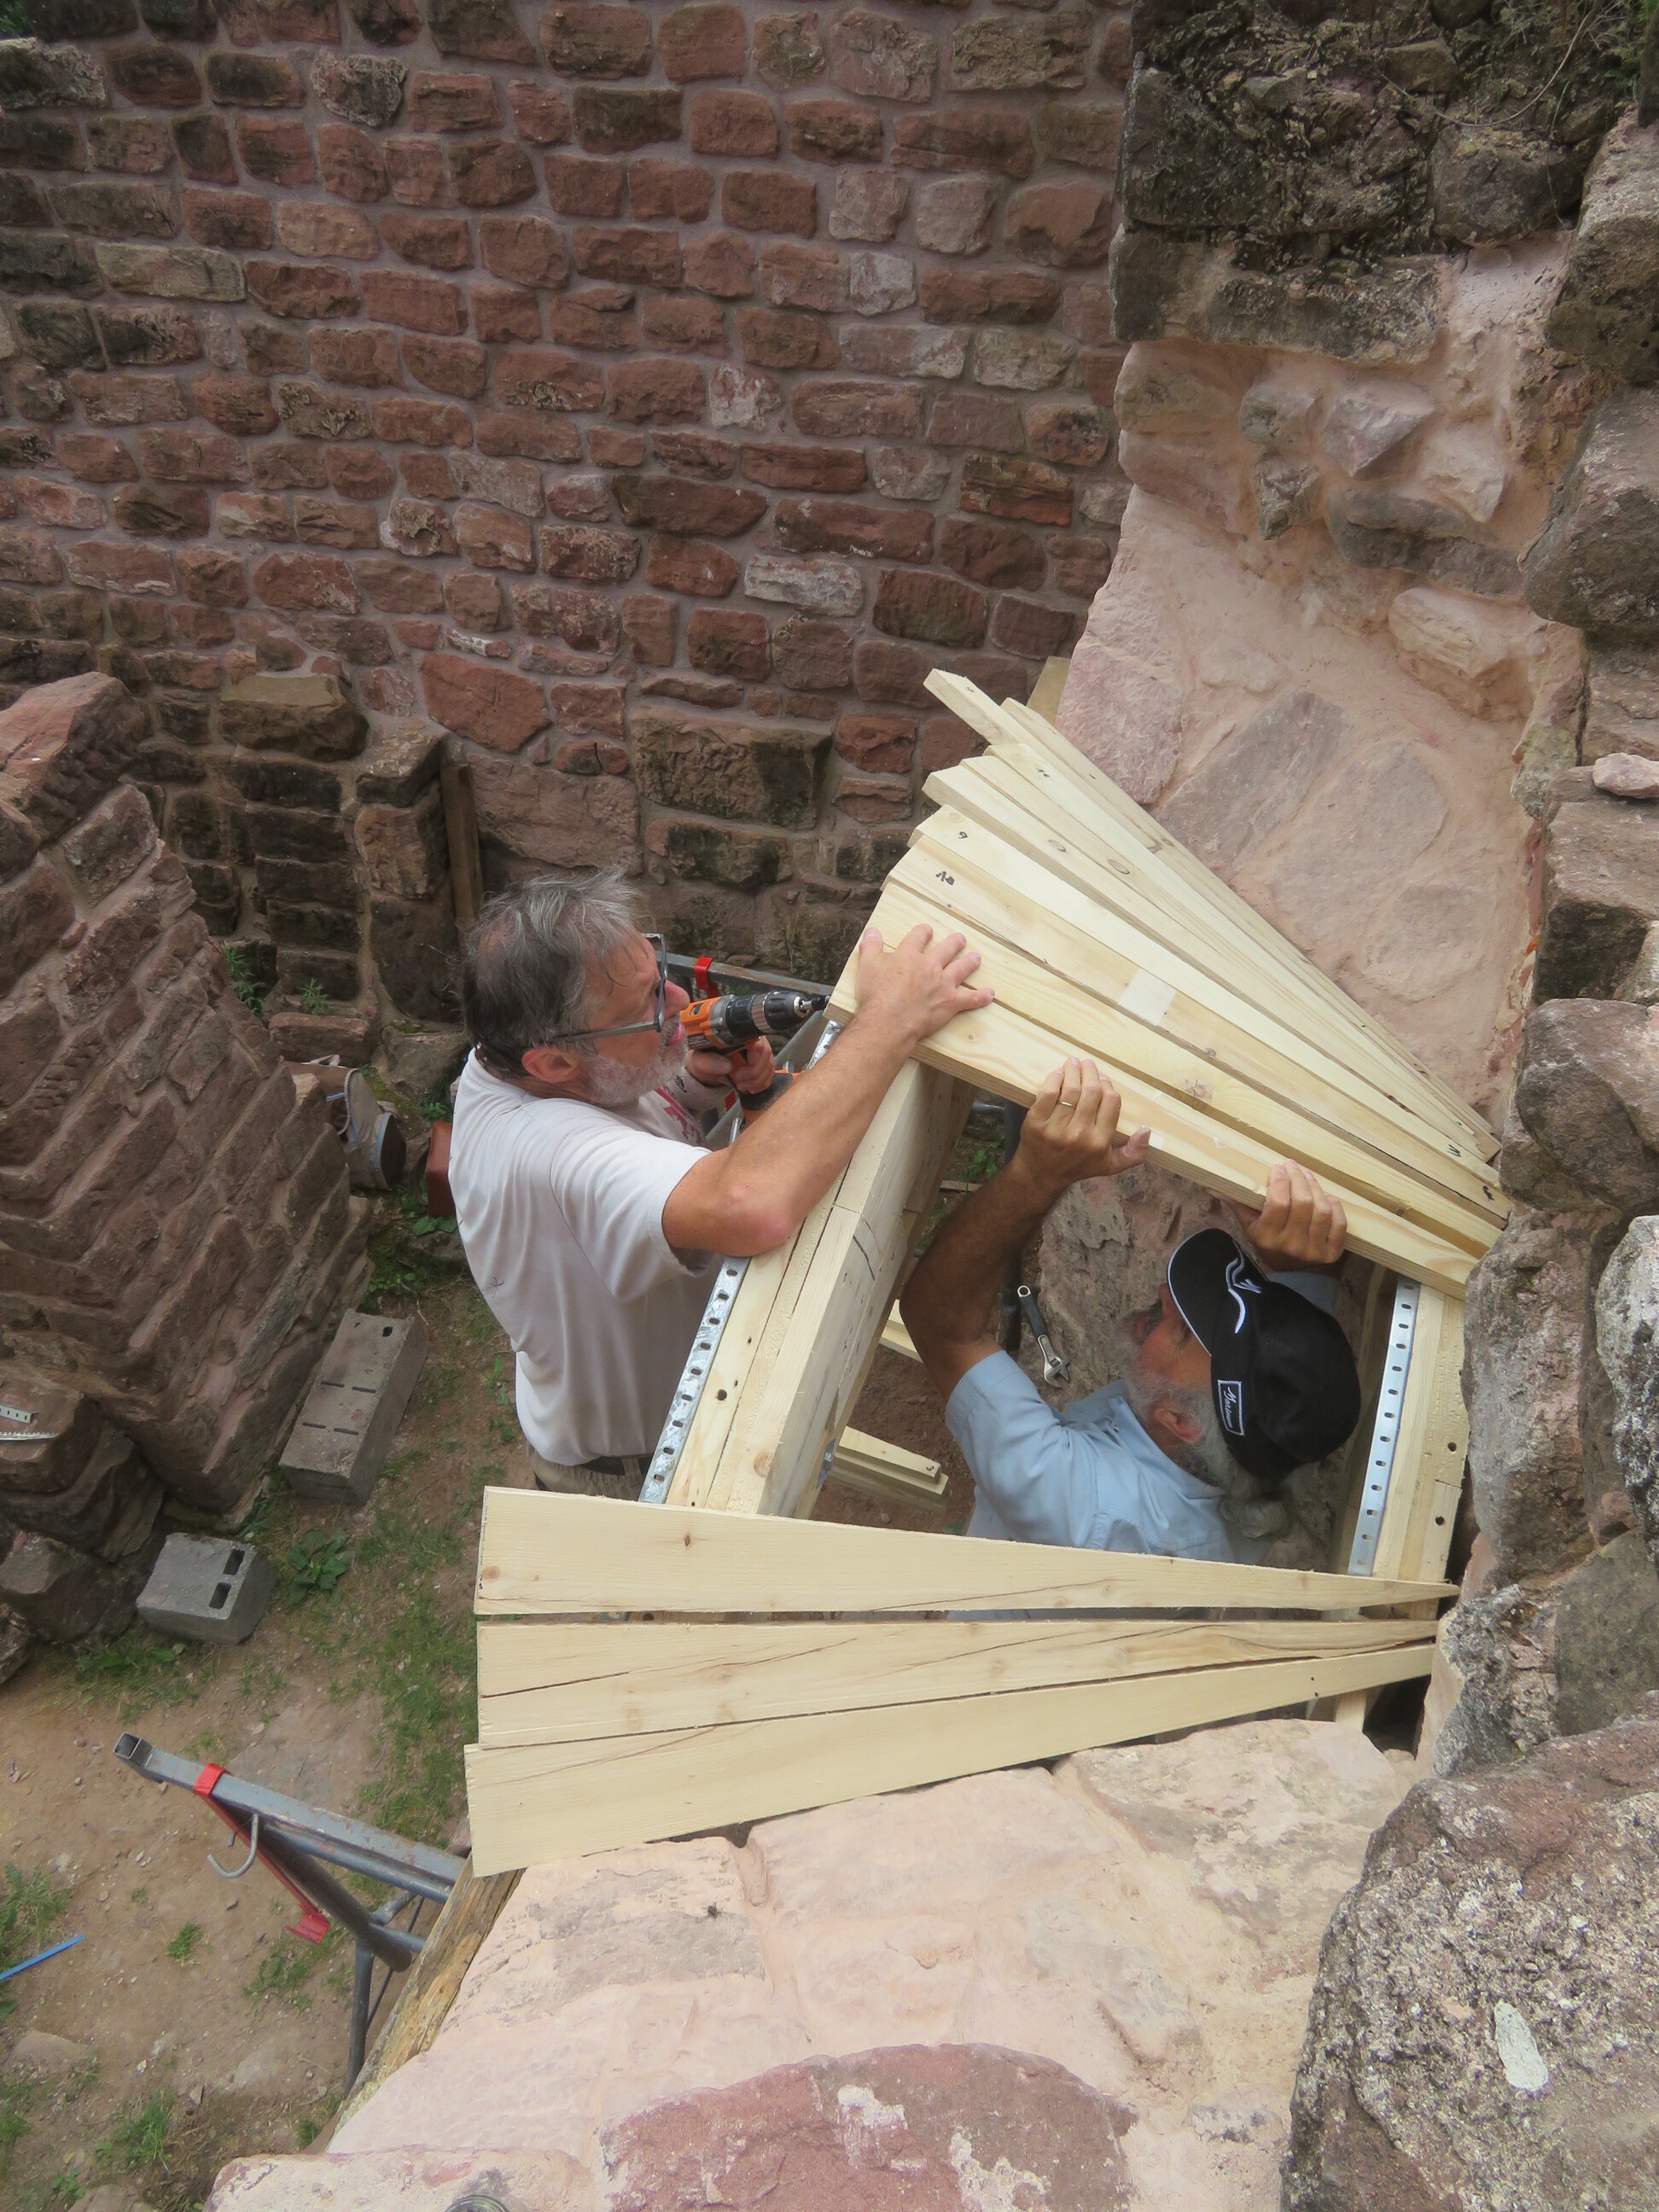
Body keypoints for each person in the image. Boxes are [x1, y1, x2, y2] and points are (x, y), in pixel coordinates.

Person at [449, 870, 992, 1496]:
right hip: (639, 1469)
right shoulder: (549, 1156)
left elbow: (618, 1113)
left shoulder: (513, 1059)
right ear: (554, 1061)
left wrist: (691, 1082)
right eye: (647, 1006)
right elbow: (753, 1205)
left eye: (659, 972)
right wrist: (890, 1017)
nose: (679, 1000)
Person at [900, 1057, 1361, 1562]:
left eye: (1181, 1332)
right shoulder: (1283, 1428)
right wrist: (1299, 1257)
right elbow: (1305, 1318)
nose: (1164, 1296)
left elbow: (941, 1325)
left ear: (1180, 1421)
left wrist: (1036, 1175)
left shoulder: (1084, 1510)